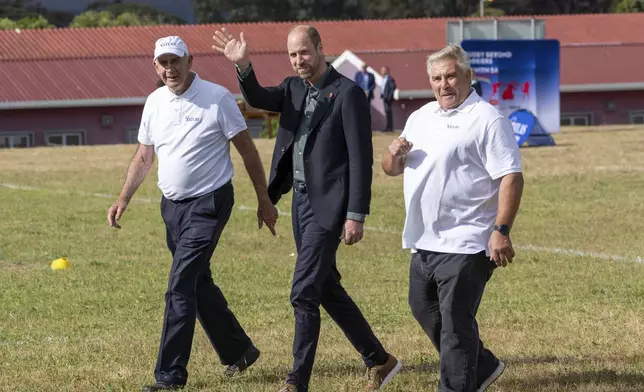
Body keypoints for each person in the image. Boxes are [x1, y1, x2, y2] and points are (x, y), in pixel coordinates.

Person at [212, 25, 401, 392]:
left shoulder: (348, 94)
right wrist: (243, 65)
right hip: (299, 203)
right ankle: (380, 359)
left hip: (329, 207)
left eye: (304, 52)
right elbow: (258, 97)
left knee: (303, 291)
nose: (299, 61)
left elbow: (361, 160)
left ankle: (297, 381)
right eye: (293, 55)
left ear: (319, 48)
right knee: (325, 288)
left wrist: (355, 214)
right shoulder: (292, 88)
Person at [107, 35, 278, 392]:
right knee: (197, 281)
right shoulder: (154, 102)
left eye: (176, 61)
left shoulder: (217, 98)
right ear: (155, 66)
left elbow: (247, 151)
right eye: (163, 63)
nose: (170, 69)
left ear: (190, 61)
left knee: (180, 285)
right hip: (172, 208)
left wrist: (264, 200)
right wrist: (124, 196)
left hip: (210, 204)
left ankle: (169, 376)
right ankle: (239, 350)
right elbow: (143, 156)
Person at [382, 44, 524, 392]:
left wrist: (501, 230)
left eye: (450, 76)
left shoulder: (487, 119)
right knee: (422, 307)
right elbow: (391, 170)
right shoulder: (421, 116)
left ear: (467, 76)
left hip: (468, 241)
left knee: (456, 327)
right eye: (436, 78)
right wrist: (391, 155)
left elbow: (511, 175)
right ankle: (484, 365)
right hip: (423, 239)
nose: (443, 84)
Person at [380, 65, 396, 132]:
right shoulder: (383, 79)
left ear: (386, 71)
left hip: (388, 98)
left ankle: (390, 128)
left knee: (389, 112)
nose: (382, 71)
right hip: (384, 97)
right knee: (387, 112)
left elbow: (392, 88)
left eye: (383, 70)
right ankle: (387, 127)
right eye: (381, 70)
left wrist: (389, 97)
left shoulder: (389, 79)